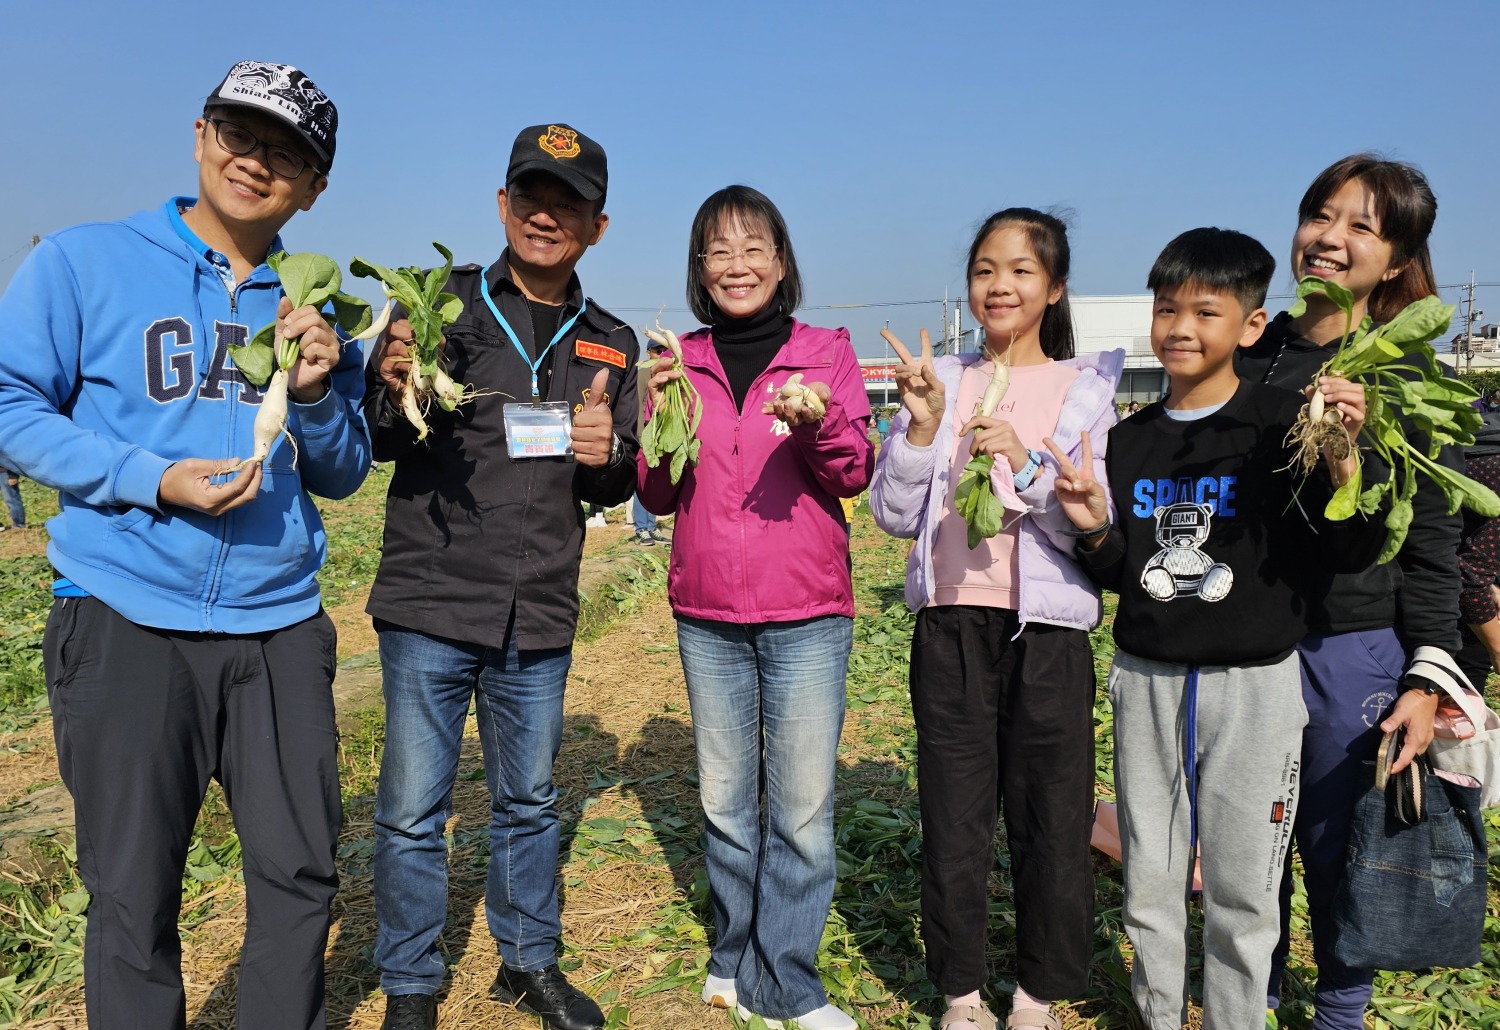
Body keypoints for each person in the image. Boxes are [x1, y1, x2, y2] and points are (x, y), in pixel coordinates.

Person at [0, 61, 366, 1029]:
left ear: (315, 186)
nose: (257, 161)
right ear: (201, 136)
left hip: (278, 625)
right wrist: (146, 476)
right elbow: (9, 403)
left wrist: (325, 392)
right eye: (241, 135)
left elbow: (342, 469)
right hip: (125, 617)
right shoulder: (84, 263)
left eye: (287, 152)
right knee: (129, 893)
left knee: (300, 878)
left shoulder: (315, 306)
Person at [1050, 227, 1383, 1030]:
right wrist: (1095, 527)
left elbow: (1351, 548)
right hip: (1149, 681)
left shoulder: (1283, 426)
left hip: (1257, 690)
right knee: (1151, 882)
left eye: (1207, 311)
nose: (1181, 329)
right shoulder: (1127, 444)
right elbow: (1119, 570)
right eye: (1168, 309)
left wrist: (1344, 465)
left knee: (1243, 890)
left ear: (1253, 324)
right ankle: (1158, 1015)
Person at [365, 123, 638, 1030]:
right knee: (412, 810)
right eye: (531, 194)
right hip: (432, 598)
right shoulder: (438, 303)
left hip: (540, 606)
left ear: (598, 226)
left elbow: (615, 478)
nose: (545, 214)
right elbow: (380, 437)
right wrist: (396, 383)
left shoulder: (609, 340)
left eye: (569, 202)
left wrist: (606, 457)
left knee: (529, 800)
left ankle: (527, 961)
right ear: (501, 205)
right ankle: (410, 983)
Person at [868, 208, 1122, 1030]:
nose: (999, 285)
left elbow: (1093, 522)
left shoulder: (1086, 391)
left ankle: (1039, 994)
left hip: (1047, 634)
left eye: (1019, 270)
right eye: (984, 269)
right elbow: (895, 515)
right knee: (955, 812)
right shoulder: (943, 378)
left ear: (1053, 288)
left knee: (1052, 815)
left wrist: (1025, 465)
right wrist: (919, 427)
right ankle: (962, 992)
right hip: (951, 628)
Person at [636, 185, 873, 1030]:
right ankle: (734, 953)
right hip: (706, 613)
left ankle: (790, 982)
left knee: (802, 810)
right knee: (727, 802)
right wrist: (652, 410)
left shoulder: (825, 351)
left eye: (753, 247)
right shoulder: (680, 358)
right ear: (701, 269)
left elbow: (855, 473)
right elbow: (658, 495)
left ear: (781, 260)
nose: (737, 265)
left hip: (807, 609)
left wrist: (812, 425)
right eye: (718, 250)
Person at [1234, 155, 1460, 1030]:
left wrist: (1423, 680)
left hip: (1350, 642)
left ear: (1398, 260)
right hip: (1243, 639)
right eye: (1321, 215)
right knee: (1246, 843)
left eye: (1362, 226)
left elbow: (1435, 547)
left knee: (1336, 846)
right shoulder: (1250, 351)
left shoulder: (1408, 378)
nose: (1330, 237)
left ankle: (1340, 1011)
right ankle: (1248, 994)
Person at [0, 465, 25, 530]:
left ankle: (19, 524)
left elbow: (11, 456)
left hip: (5, 472)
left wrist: (12, 475)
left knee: (11, 499)